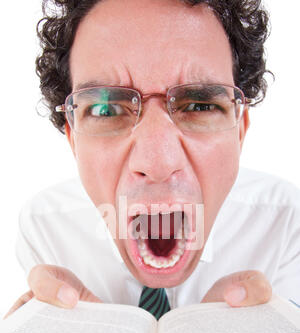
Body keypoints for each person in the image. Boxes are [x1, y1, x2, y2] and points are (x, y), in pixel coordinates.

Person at [7, 0, 300, 317]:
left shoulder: (285, 223)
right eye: (107, 110)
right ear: (73, 138)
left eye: (199, 106)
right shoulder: (45, 227)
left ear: (239, 132)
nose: (157, 163)